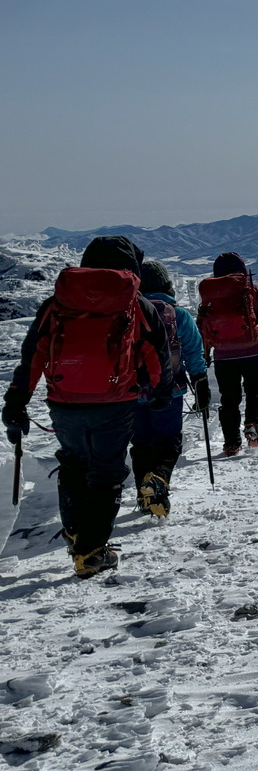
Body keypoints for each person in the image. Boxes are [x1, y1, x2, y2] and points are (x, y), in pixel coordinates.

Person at [3, 236, 178, 577]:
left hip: (64, 401)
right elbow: (155, 353)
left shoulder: (57, 303)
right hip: (116, 401)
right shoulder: (138, 305)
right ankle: (91, 551)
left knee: (73, 463)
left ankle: (75, 531)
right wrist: (161, 392)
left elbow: (33, 354)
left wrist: (16, 402)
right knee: (108, 473)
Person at [131, 260, 210, 520]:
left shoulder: (128, 312)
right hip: (170, 390)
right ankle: (159, 480)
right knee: (169, 442)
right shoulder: (179, 315)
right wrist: (200, 381)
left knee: (141, 442)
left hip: (133, 393)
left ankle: (144, 497)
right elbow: (193, 352)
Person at [197, 252, 258, 456]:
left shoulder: (211, 294)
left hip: (223, 356)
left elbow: (204, 326)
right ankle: (253, 425)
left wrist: (205, 354)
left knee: (229, 399)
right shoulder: (251, 290)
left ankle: (231, 444)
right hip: (253, 352)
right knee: (255, 392)